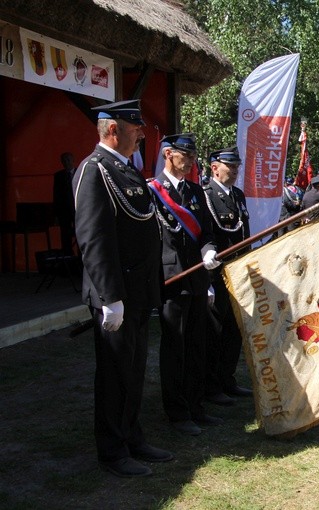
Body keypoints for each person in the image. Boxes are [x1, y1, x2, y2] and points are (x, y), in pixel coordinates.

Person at [73, 99, 173, 477]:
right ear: (113, 130)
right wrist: (109, 298)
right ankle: (113, 451)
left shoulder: (125, 171)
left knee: (133, 371)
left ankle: (133, 437)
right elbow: (94, 238)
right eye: (136, 127)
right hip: (114, 295)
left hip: (137, 292)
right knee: (115, 374)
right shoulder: (94, 171)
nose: (143, 134)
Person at [150, 133, 222, 436]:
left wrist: (208, 250)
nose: (190, 161)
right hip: (172, 280)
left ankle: (196, 406)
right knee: (175, 349)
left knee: (196, 346)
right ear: (168, 154)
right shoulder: (153, 191)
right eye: (185, 156)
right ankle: (177, 412)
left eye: (193, 157)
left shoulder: (195, 191)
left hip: (196, 279)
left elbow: (205, 231)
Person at [202, 146, 252, 406]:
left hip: (237, 274)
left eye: (236, 167)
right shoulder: (206, 196)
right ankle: (211, 385)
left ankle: (227, 378)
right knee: (215, 331)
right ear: (214, 167)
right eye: (229, 166)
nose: (234, 171)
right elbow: (206, 235)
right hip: (217, 275)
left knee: (234, 330)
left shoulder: (238, 195)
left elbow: (244, 235)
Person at [53, 152, 77, 254]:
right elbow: (56, 196)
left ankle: (81, 261)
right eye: (64, 160)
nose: (66, 162)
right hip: (64, 211)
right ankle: (68, 257)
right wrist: (56, 214)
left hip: (78, 210)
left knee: (81, 235)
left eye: (68, 160)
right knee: (65, 236)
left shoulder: (80, 173)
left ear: (73, 161)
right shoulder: (59, 176)